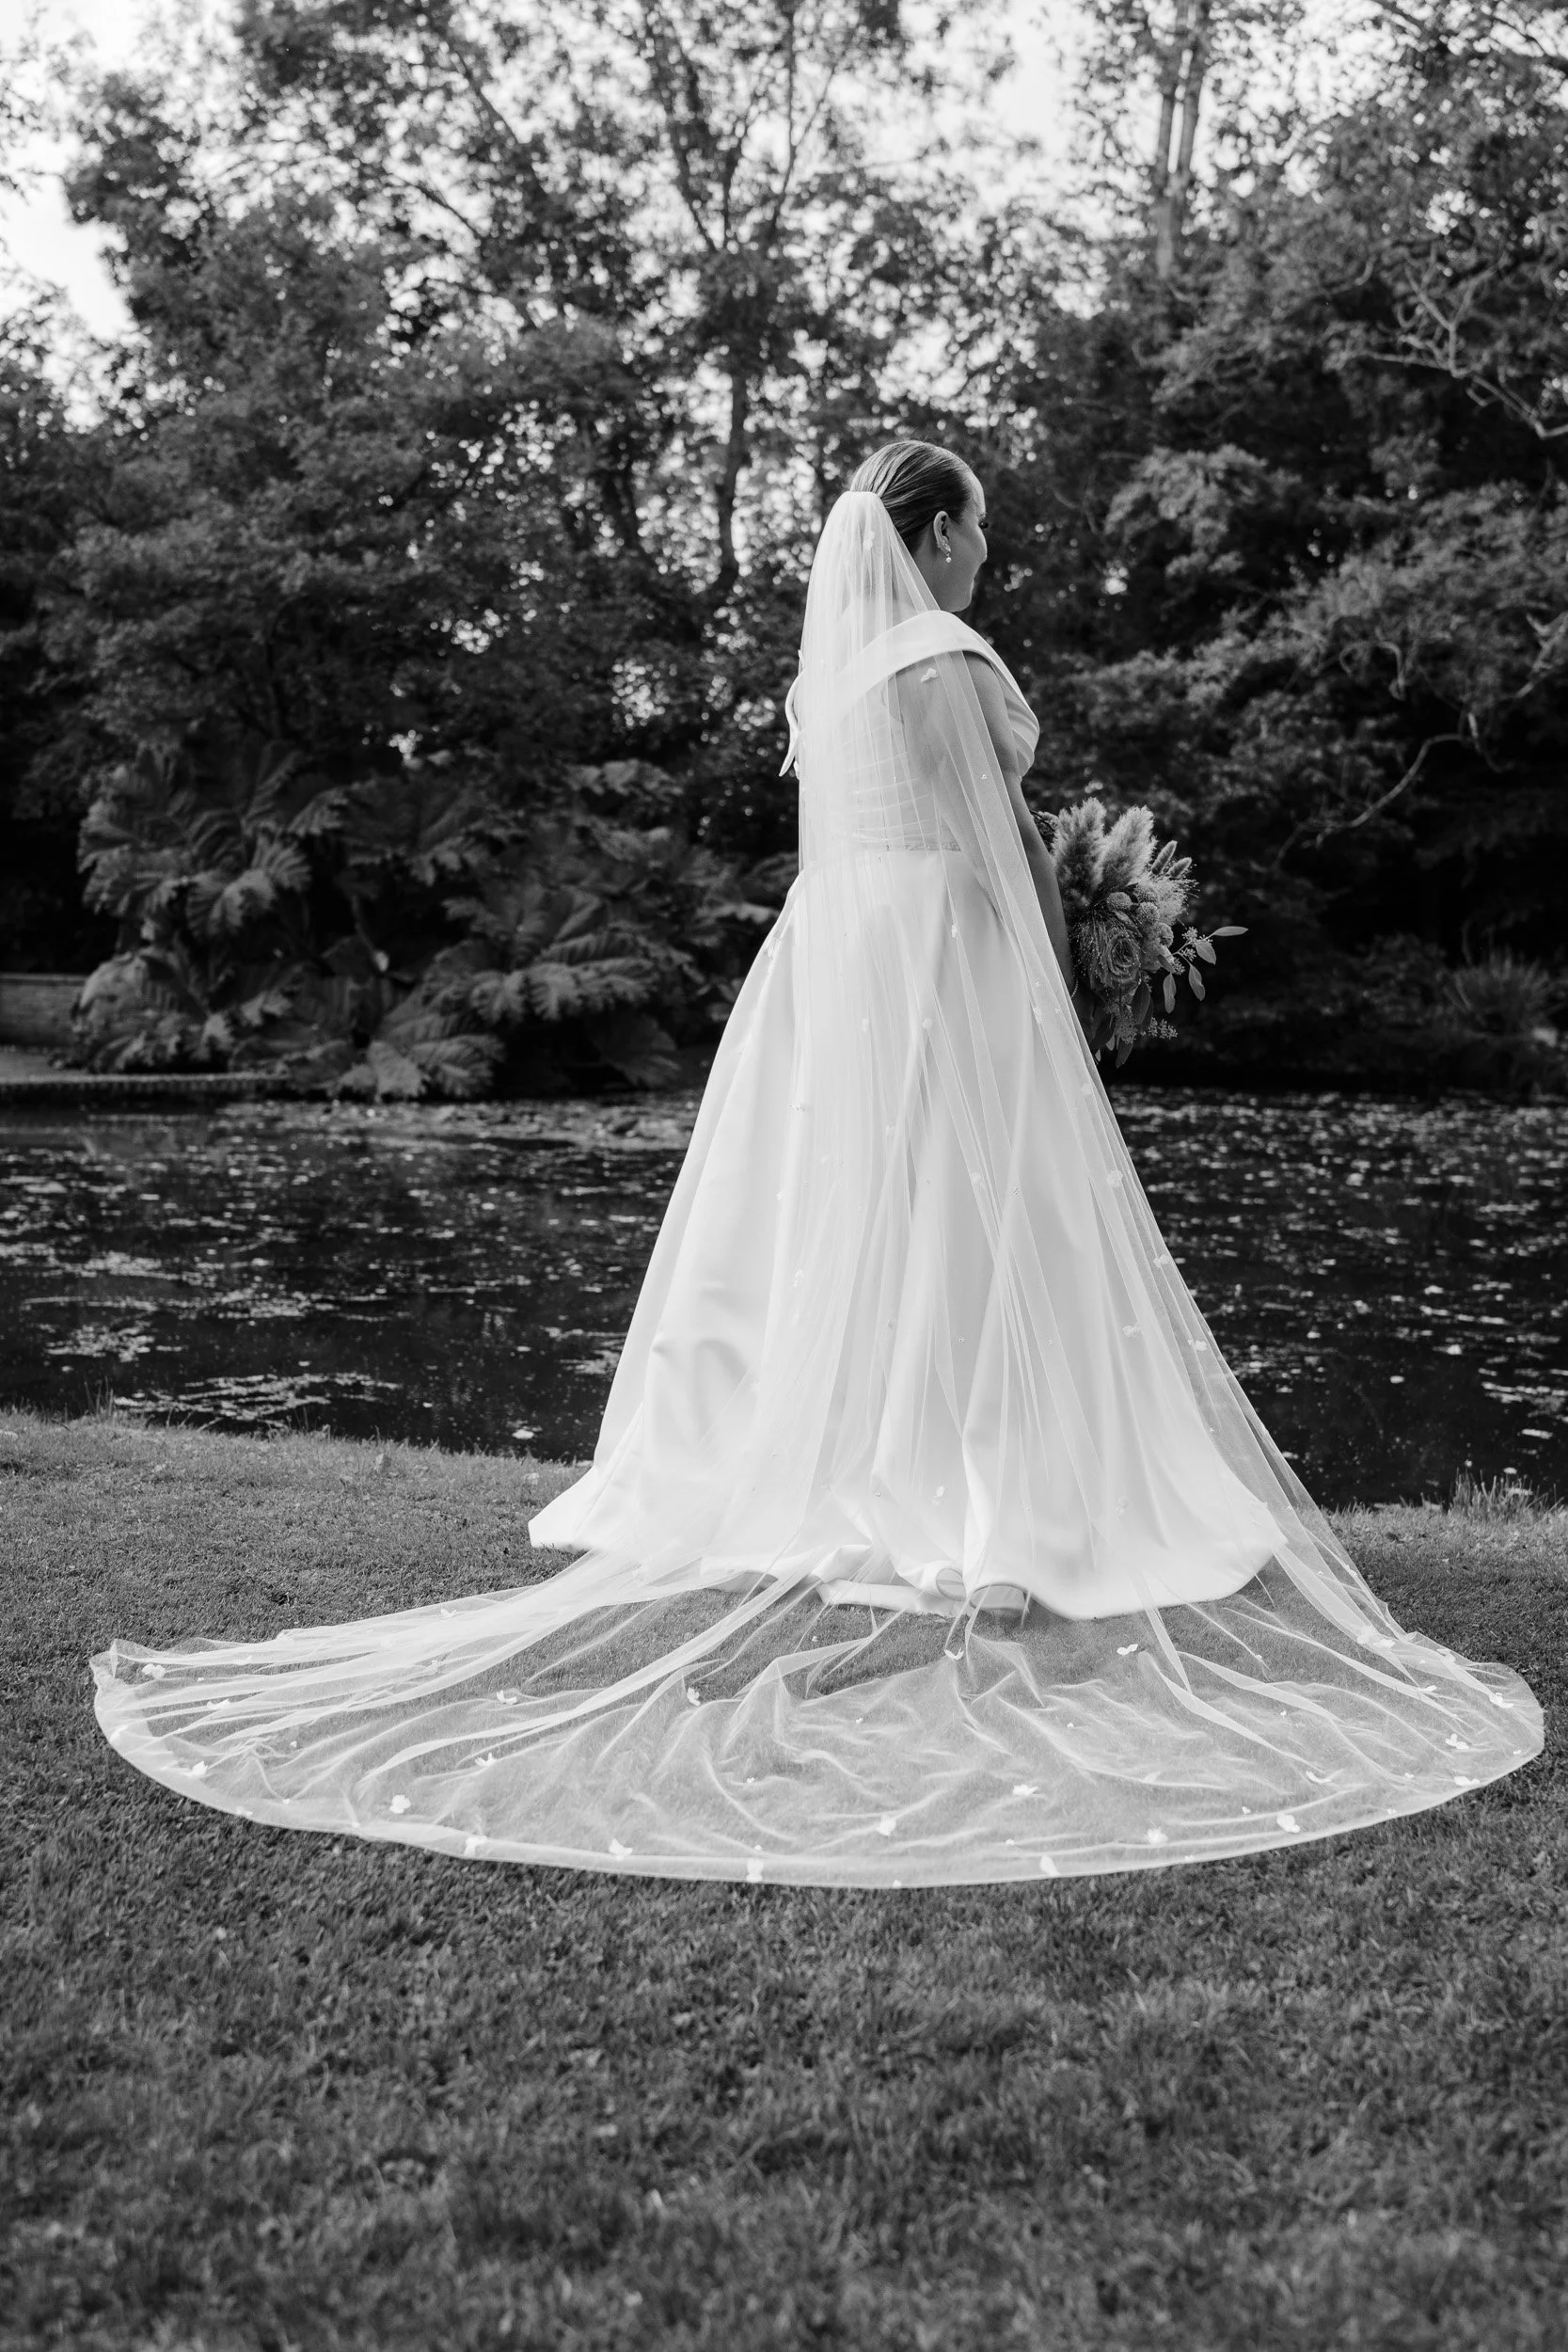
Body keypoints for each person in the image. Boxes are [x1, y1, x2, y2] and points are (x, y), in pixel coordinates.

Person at [93, 441, 1542, 1884]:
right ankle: (999, 1486)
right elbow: (1004, 844)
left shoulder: (830, 678)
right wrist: (1072, 969)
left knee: (871, 1224)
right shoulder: (945, 654)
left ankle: (891, 1466)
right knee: (983, 1226)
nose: (992, 551)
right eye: (978, 526)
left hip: (843, 969)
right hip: (946, 967)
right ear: (931, 532)